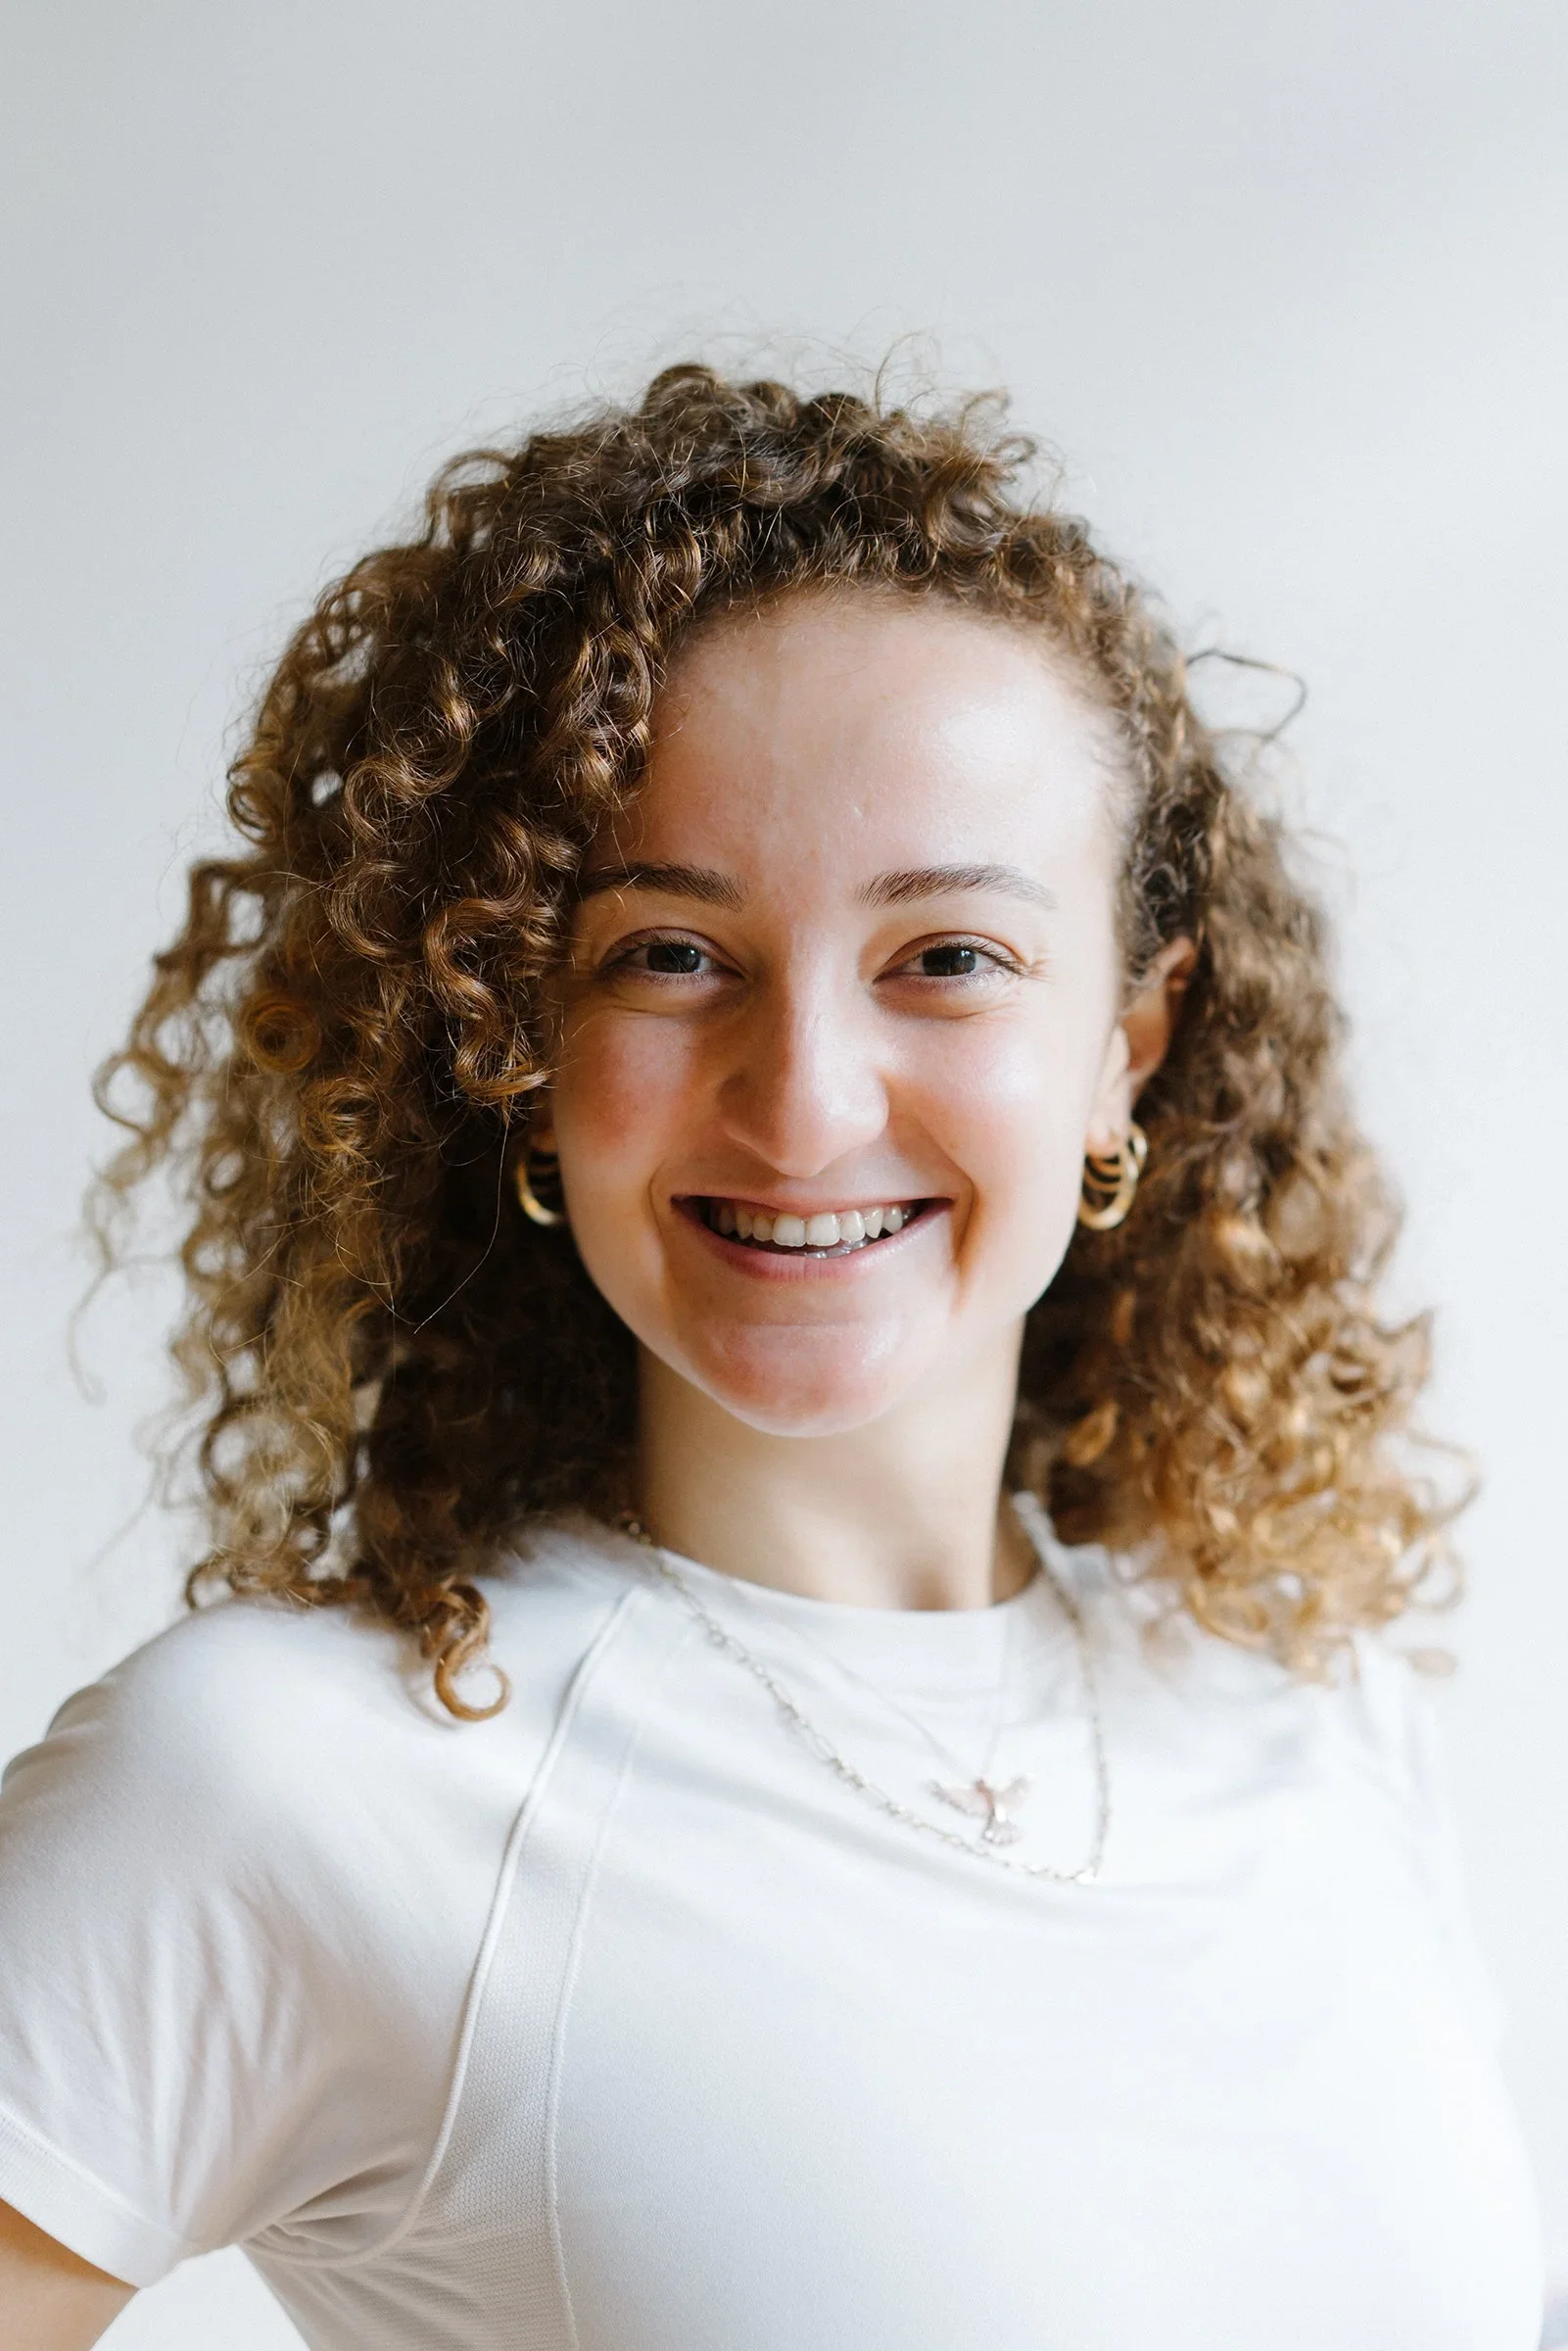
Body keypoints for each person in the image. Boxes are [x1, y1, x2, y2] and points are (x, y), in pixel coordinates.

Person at [0, 364, 1544, 2351]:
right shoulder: (291, 1787)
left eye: (947, 960)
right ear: (513, 1042)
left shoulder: (1308, 1718)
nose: (803, 1106)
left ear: (1124, 1045)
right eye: (666, 953)